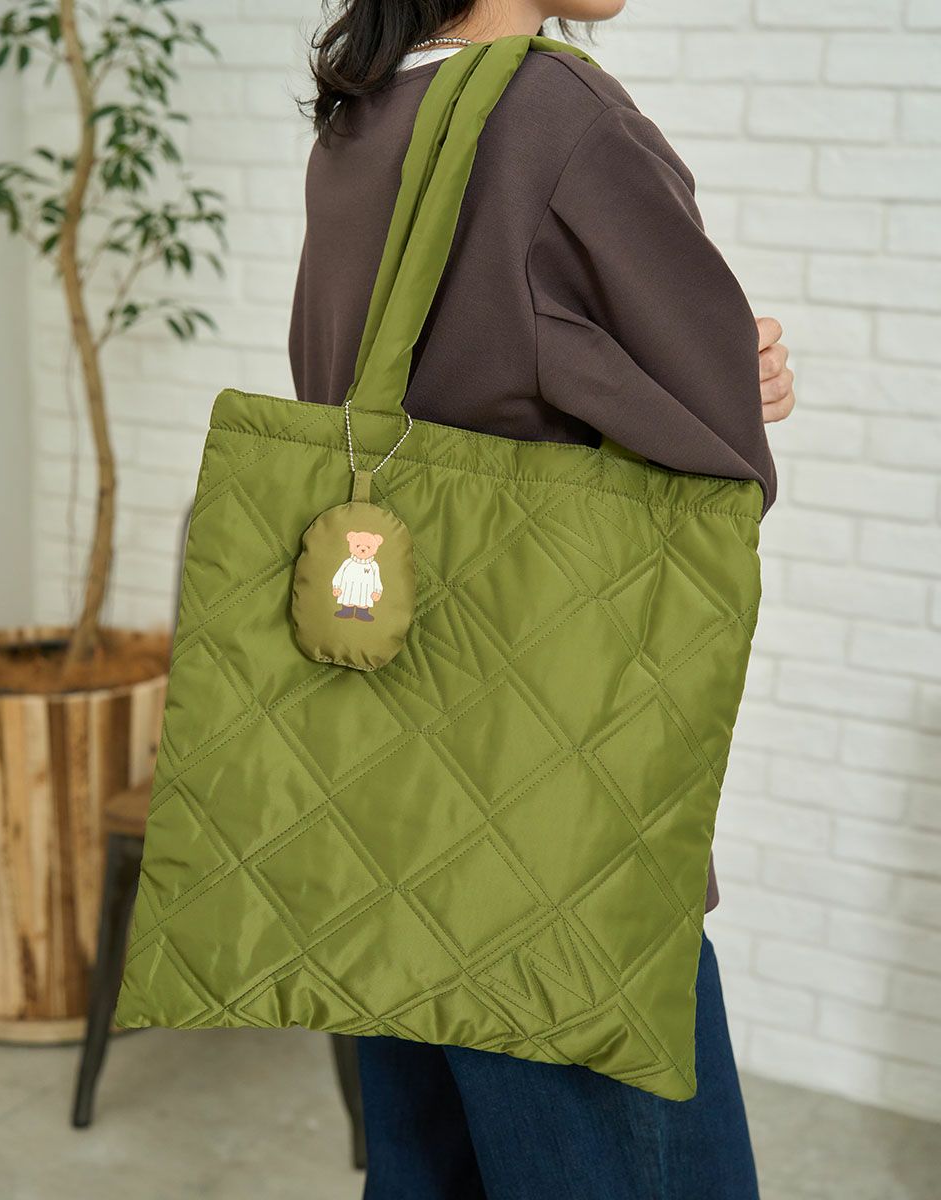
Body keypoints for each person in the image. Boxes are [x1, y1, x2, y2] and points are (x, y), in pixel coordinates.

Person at [290, 3, 796, 1196]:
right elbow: (716, 465)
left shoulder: (364, 114)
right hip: (549, 794)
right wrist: (736, 374)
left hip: (386, 780)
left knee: (424, 1167)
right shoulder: (556, 114)